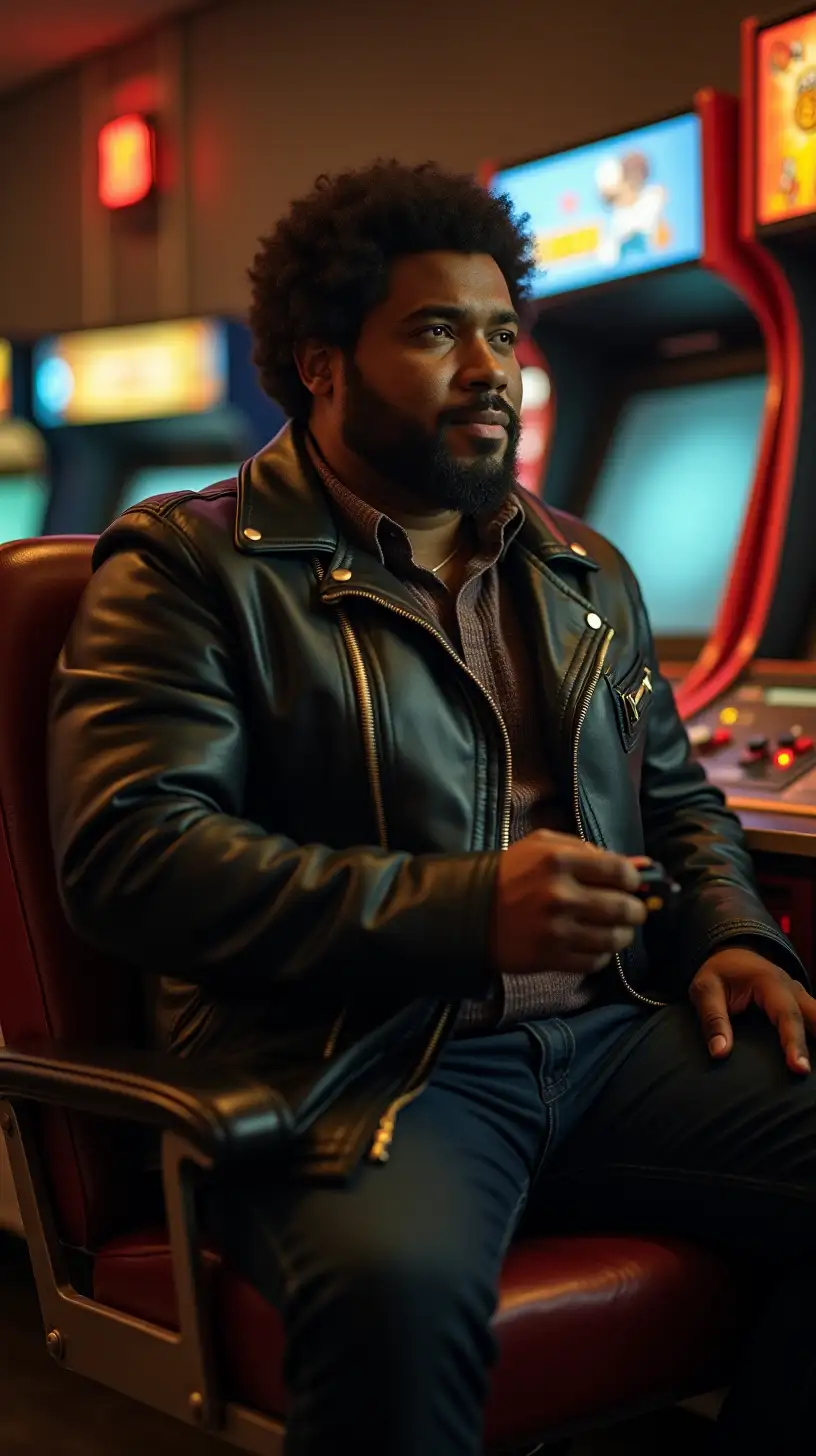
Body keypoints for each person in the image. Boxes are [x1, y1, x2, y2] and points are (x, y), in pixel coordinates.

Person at [48, 160, 816, 1456]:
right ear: (323, 362)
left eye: (504, 333)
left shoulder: (583, 565)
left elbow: (678, 801)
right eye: (434, 331)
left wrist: (735, 934)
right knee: (392, 1302)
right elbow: (136, 855)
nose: (489, 368)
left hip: (608, 1041)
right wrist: (464, 910)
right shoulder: (184, 566)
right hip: (357, 1061)